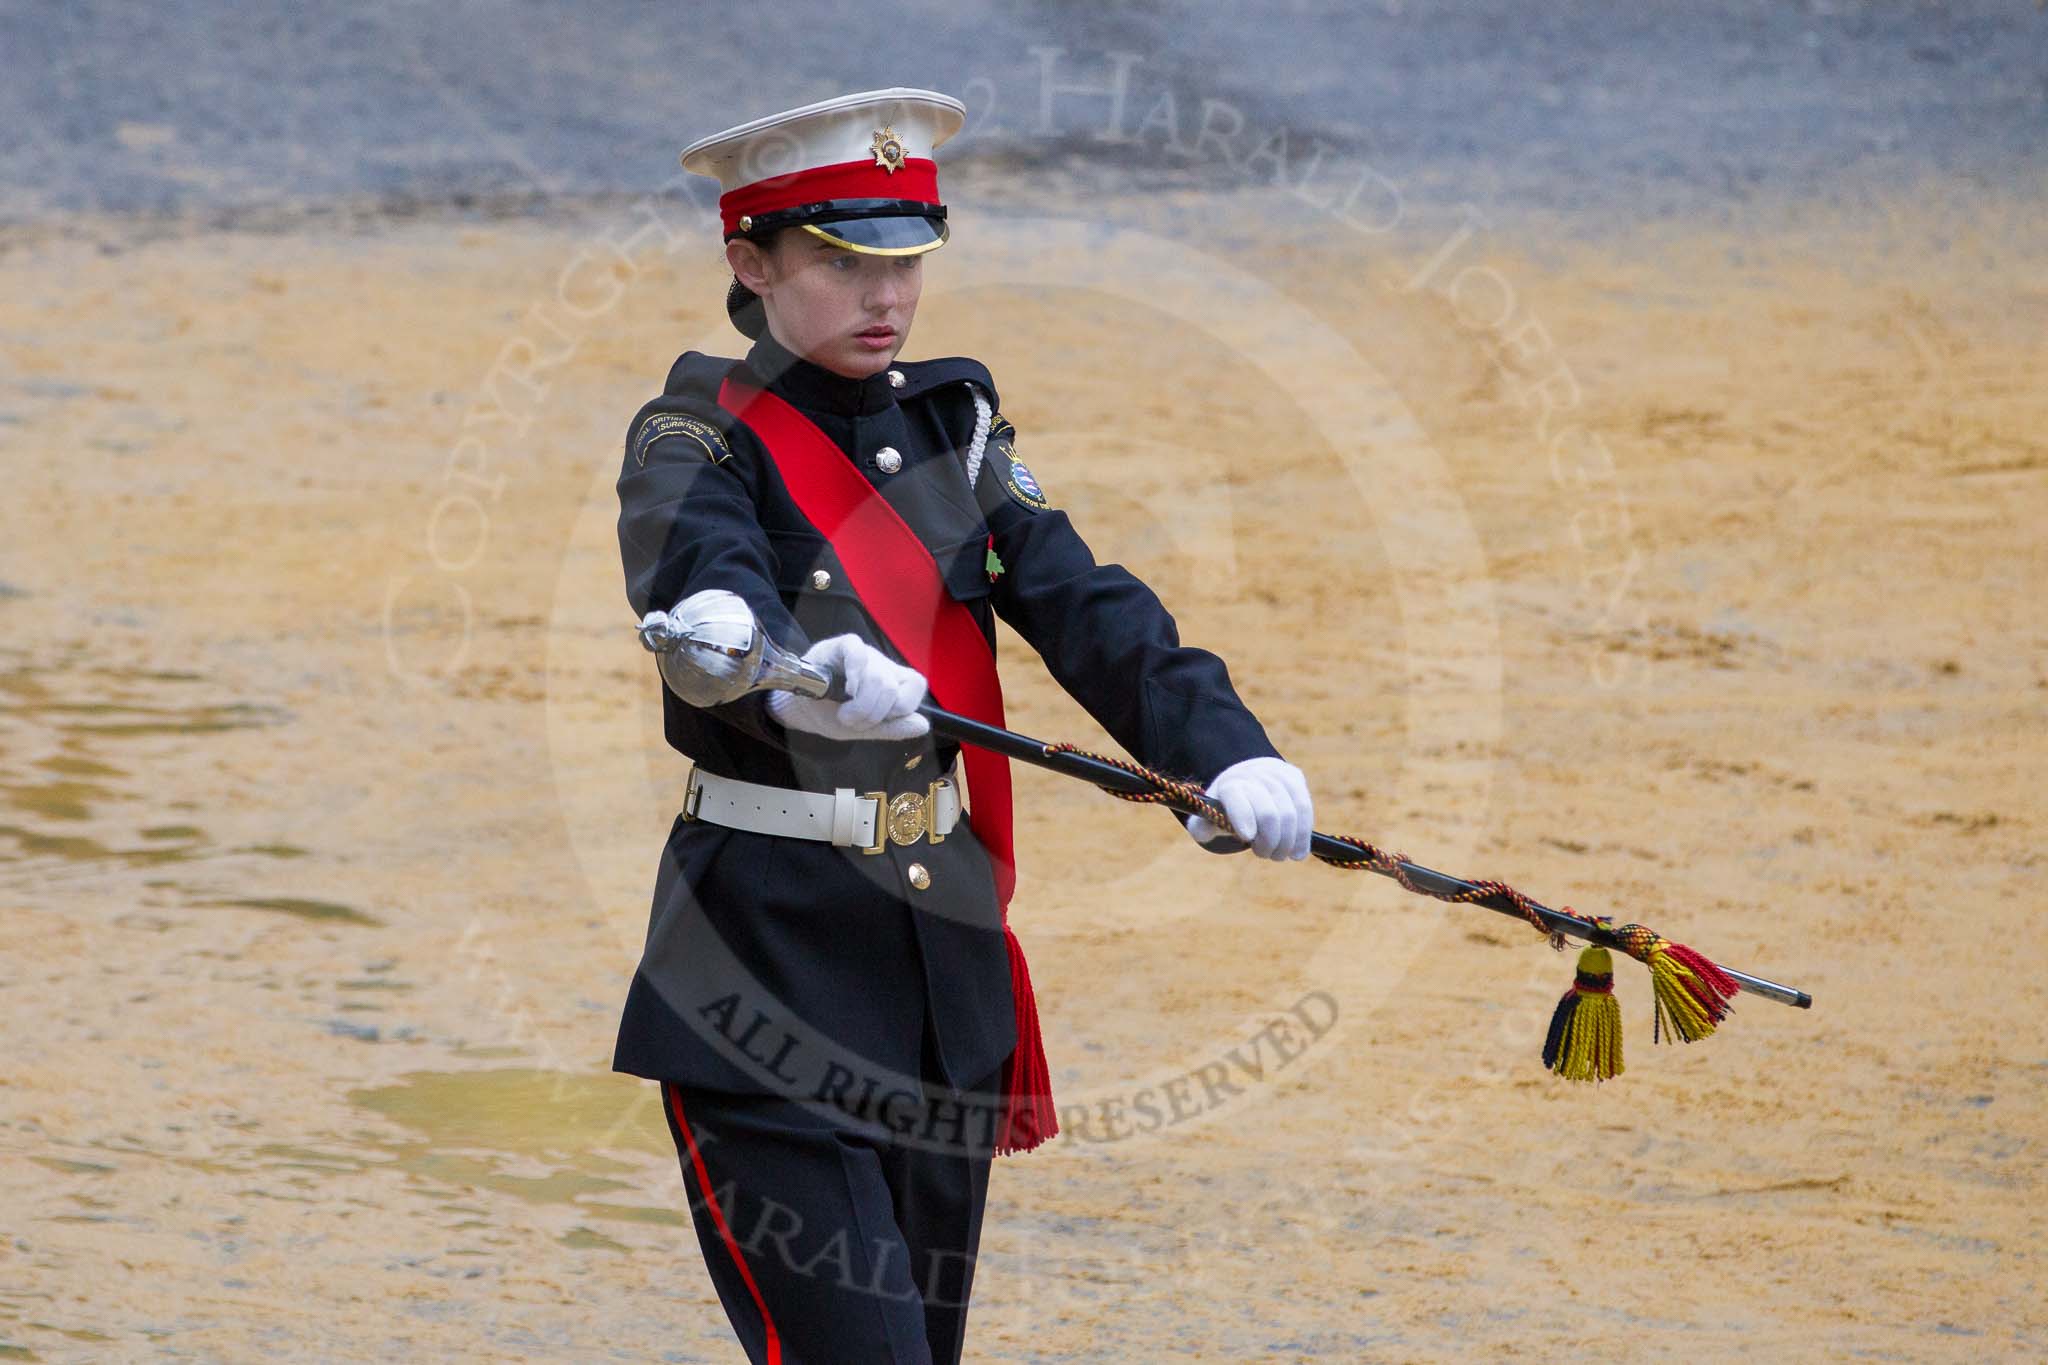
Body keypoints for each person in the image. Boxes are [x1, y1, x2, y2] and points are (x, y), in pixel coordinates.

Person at [613, 87, 1315, 1365]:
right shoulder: (690, 436)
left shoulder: (958, 423)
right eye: (837, 261)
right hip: (762, 966)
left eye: (905, 261)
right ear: (749, 263)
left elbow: (1086, 605)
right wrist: (789, 668)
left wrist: (1226, 749)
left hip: (934, 962)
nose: (884, 298)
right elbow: (701, 594)